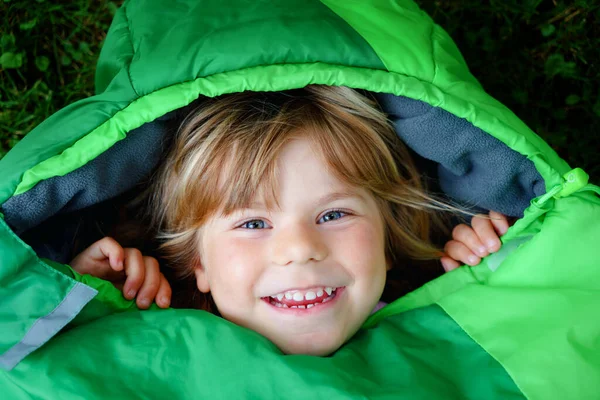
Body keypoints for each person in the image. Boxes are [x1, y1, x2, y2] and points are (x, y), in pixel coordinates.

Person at [70, 85, 510, 356]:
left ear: (386, 241)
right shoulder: (163, 341)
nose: (300, 248)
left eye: (334, 214)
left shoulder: (437, 324)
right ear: (198, 264)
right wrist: (86, 302)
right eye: (253, 223)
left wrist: (495, 283)